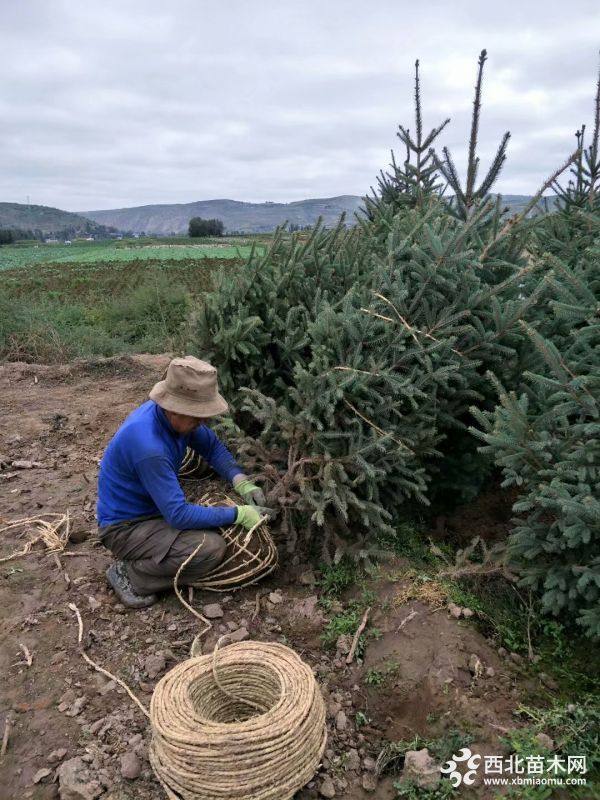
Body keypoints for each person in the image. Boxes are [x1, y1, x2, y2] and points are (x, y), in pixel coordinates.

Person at [96, 356, 274, 608]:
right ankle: (132, 575)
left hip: (152, 511)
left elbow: (211, 447)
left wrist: (241, 480)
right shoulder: (149, 447)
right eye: (196, 416)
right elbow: (178, 515)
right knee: (208, 548)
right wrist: (238, 514)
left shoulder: (174, 421)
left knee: (208, 528)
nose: (201, 422)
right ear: (172, 407)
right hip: (125, 527)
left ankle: (151, 562)